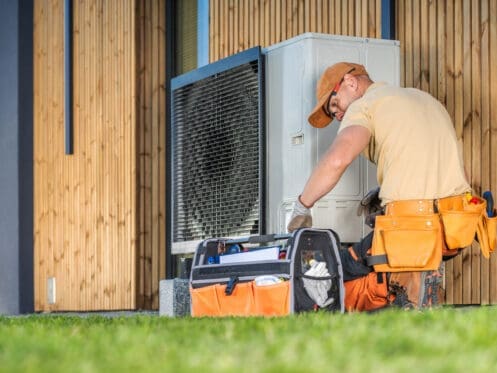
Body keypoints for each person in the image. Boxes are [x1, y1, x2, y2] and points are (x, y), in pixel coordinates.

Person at [287, 62, 471, 311]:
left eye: (334, 105)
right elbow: (454, 169)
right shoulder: (422, 98)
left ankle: (400, 300)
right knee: (383, 259)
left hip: (411, 229)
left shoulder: (365, 105)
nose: (338, 116)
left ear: (350, 83)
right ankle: (418, 289)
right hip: (455, 229)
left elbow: (337, 160)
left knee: (335, 267)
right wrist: (385, 193)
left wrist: (302, 206)